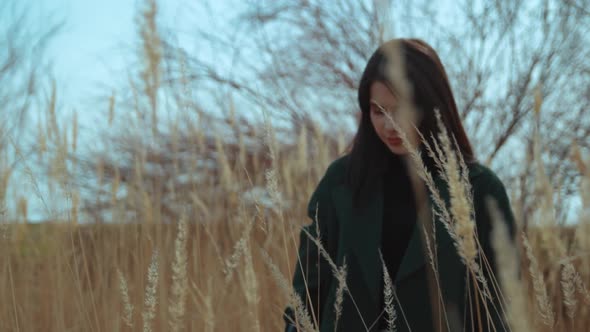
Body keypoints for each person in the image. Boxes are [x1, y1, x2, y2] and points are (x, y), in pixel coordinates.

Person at [283, 38, 516, 332]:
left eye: (400, 109)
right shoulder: (341, 181)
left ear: (431, 106)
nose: (389, 126)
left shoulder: (479, 191)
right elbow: (306, 290)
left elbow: (499, 307)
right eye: (378, 111)